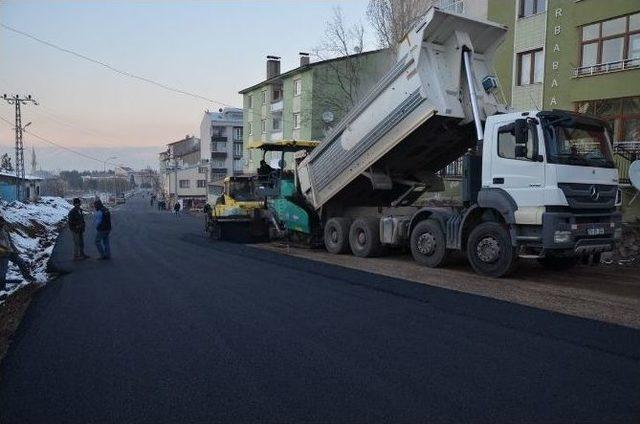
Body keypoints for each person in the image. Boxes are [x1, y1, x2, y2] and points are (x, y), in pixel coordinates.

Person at [0, 216, 35, 291]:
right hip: (2, 255)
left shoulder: (5, 230)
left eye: (3, 222)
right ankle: (2, 289)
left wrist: (15, 250)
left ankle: (27, 277)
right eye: (1, 222)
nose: (2, 224)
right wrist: (4, 251)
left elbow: (10, 241)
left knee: (21, 262)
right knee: (2, 272)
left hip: (10, 252)